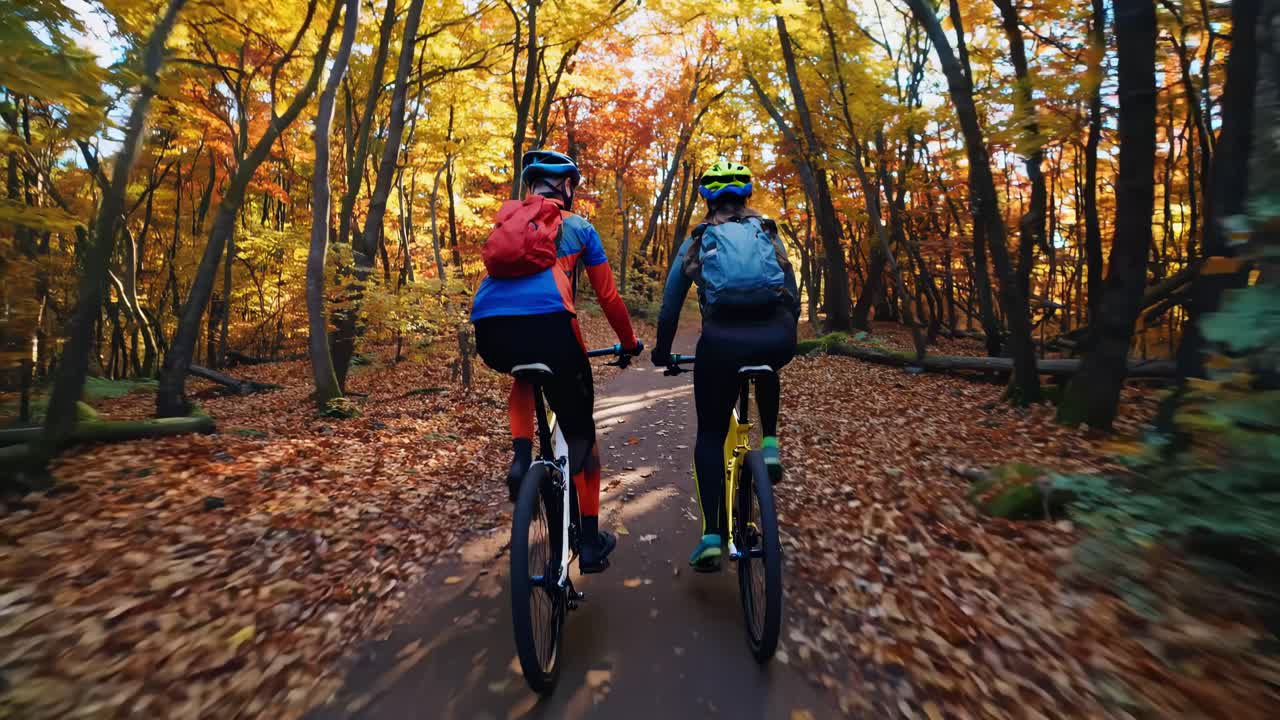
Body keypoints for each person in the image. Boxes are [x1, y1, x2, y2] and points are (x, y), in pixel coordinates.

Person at [471, 149, 639, 574]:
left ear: (530, 188)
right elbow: (608, 297)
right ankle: (590, 539)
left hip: (490, 331)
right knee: (584, 435)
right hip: (552, 331)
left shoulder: (508, 222)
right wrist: (628, 342)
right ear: (567, 188)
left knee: (523, 373)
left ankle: (521, 457)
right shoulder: (579, 228)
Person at [650, 159, 799, 572]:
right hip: (774, 338)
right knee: (768, 363)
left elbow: (669, 303)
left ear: (707, 198)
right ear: (747, 195)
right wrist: (790, 336)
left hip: (720, 344)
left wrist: (662, 351)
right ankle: (769, 445)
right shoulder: (766, 230)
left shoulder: (699, 237)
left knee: (711, 434)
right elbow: (790, 288)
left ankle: (713, 535)